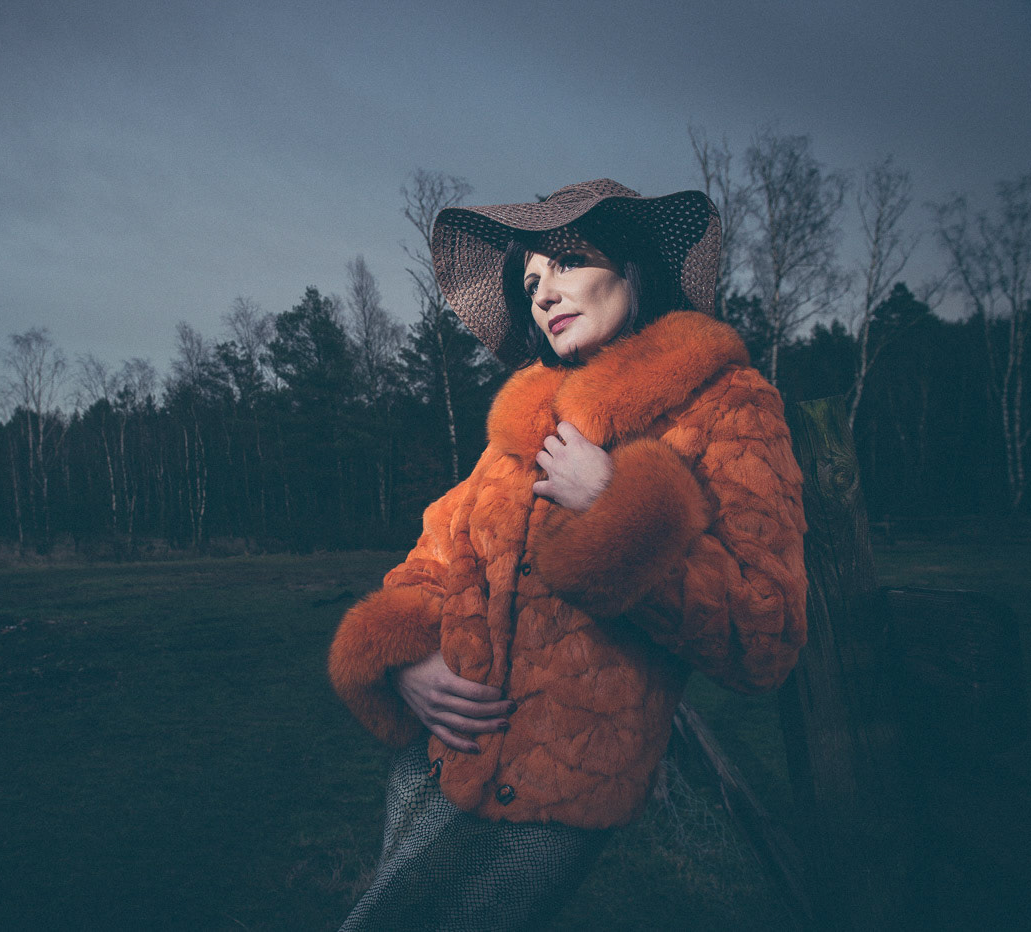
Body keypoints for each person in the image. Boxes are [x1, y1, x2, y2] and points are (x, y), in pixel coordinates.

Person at [327, 179, 808, 930]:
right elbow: (437, 556)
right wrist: (402, 658)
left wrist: (610, 505)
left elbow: (765, 634)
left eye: (567, 261)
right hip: (432, 758)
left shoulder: (727, 405)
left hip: (554, 790)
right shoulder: (523, 423)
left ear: (635, 270)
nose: (545, 292)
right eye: (530, 283)